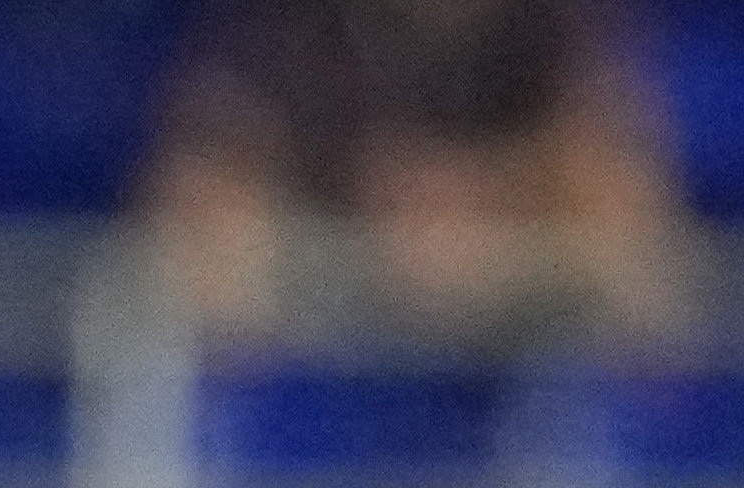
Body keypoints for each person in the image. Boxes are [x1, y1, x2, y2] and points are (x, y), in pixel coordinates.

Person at [141, 0, 697, 345]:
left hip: (528, 317)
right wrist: (373, 213)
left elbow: (623, 193)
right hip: (327, 307)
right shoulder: (284, 25)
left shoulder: (558, 22)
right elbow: (207, 187)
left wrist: (486, 199)